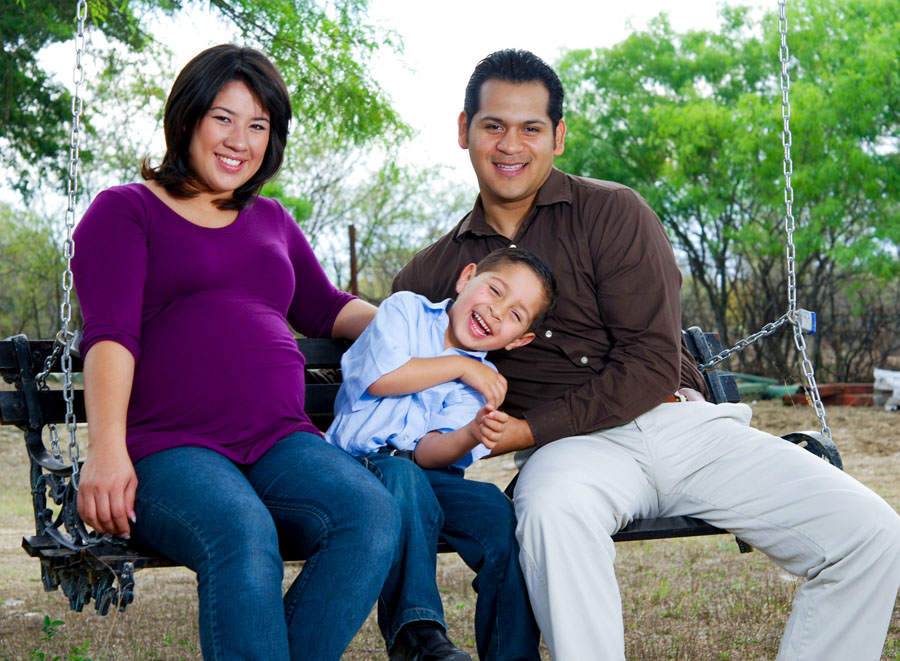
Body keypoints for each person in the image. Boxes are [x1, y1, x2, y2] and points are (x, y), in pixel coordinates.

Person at [392, 48, 900, 661]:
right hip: (574, 455)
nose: (510, 144)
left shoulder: (613, 212)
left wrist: (525, 428)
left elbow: (652, 362)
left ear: (558, 136)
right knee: (550, 511)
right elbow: (388, 348)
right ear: (463, 130)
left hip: (683, 426)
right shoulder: (435, 271)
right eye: (493, 124)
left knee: (872, 536)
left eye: (531, 128)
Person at [71, 45, 400, 660]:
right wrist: (107, 450)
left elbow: (325, 308)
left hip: (278, 440)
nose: (239, 140)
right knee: (242, 530)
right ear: (188, 118)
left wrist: (410, 329)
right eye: (224, 118)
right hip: (170, 446)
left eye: (258, 125)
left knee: (371, 514)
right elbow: (110, 334)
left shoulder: (271, 219)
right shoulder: (126, 210)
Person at [327, 247, 554, 661]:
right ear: (466, 278)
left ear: (519, 340)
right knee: (401, 474)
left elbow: (431, 454)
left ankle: (513, 653)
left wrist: (471, 433)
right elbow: (381, 378)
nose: (497, 312)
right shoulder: (406, 311)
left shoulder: (488, 383)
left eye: (516, 315)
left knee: (495, 509)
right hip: (358, 470)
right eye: (495, 291)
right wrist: (461, 366)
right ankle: (417, 637)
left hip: (424, 479)